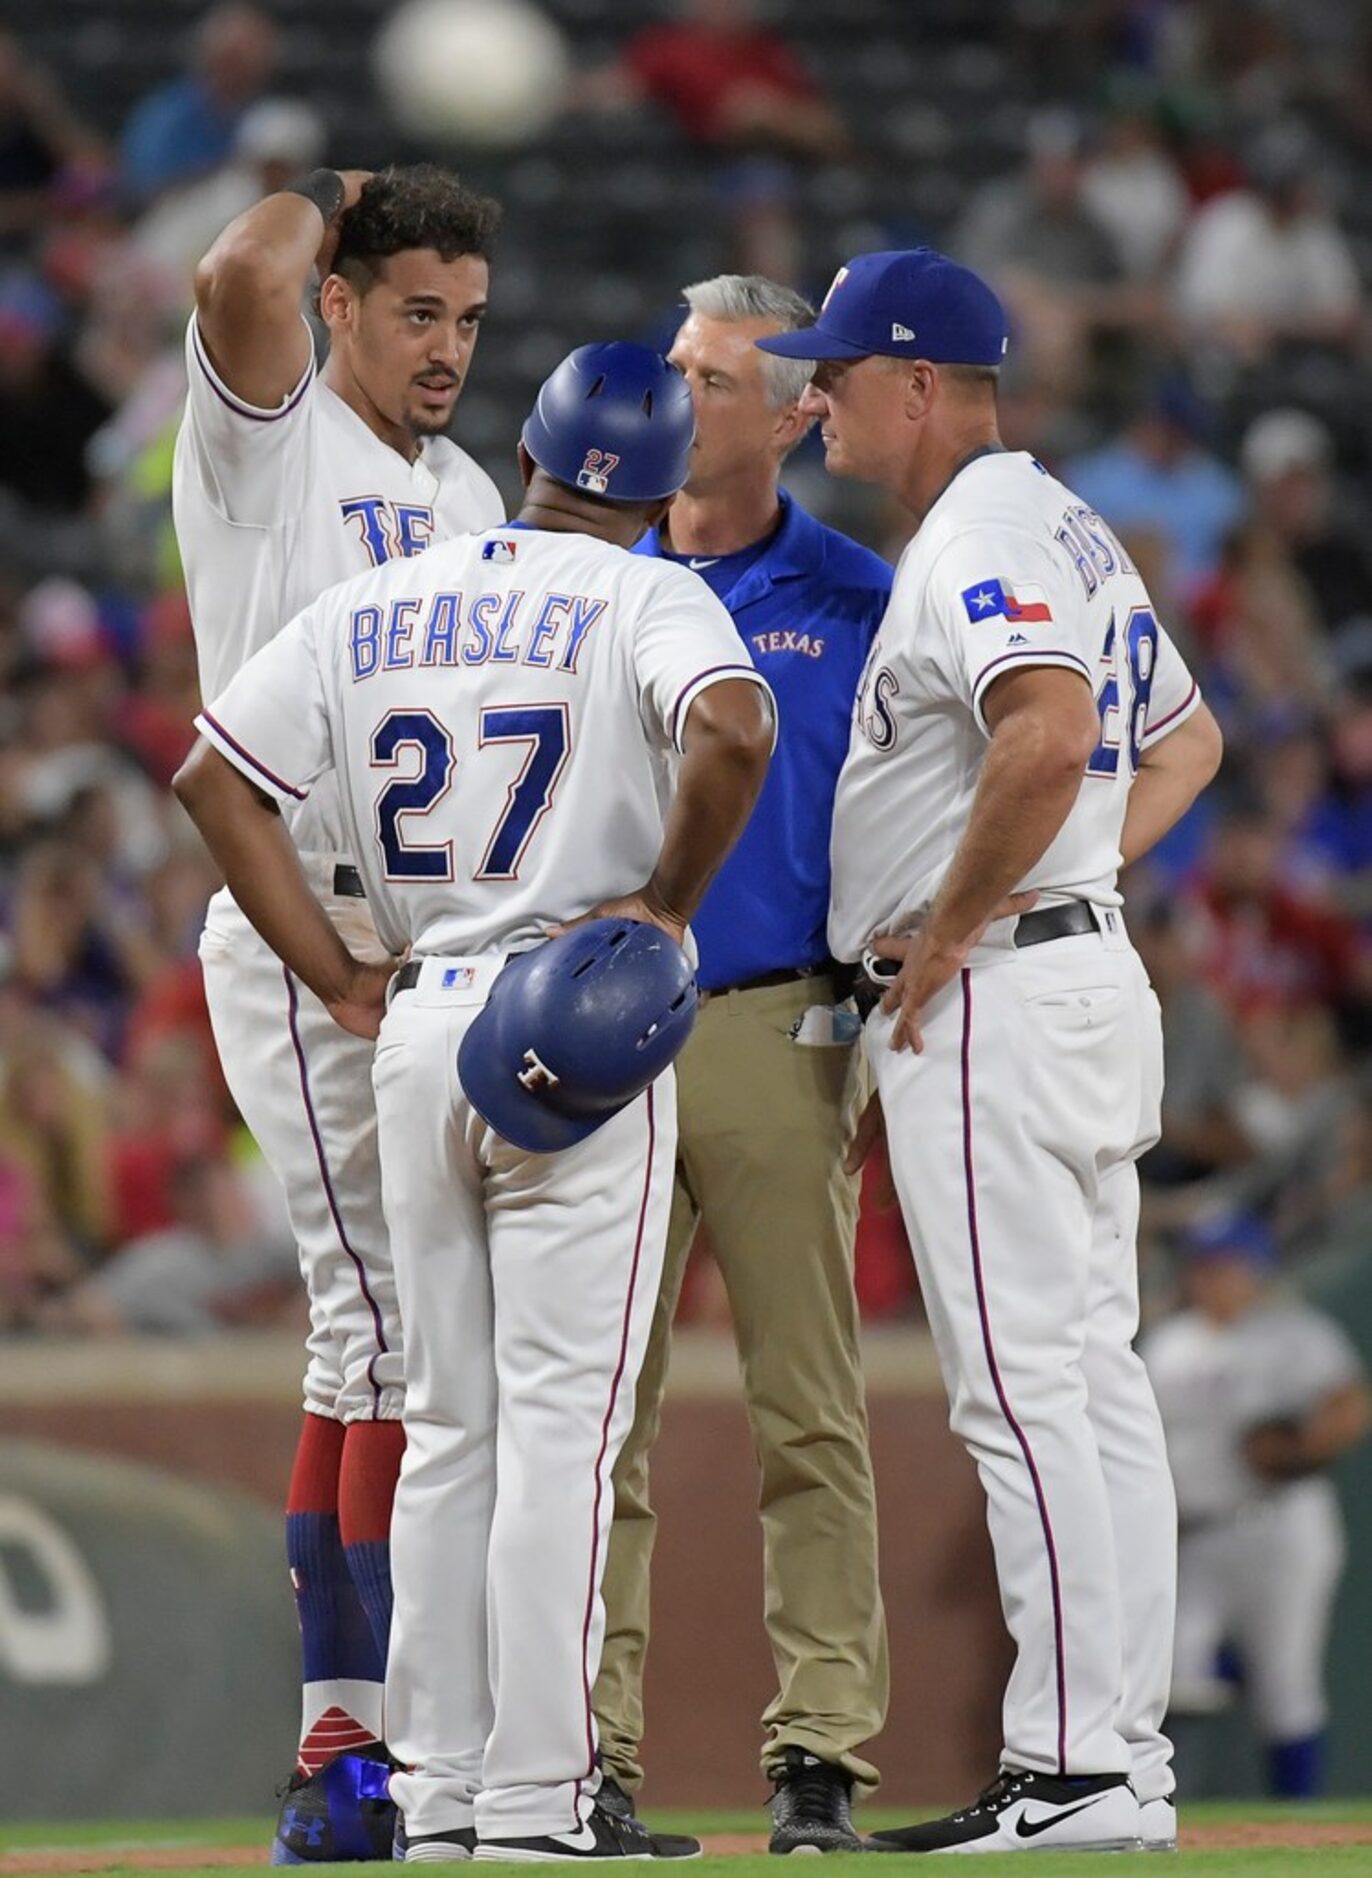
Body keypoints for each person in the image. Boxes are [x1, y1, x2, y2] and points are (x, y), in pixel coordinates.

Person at [173, 341, 776, 1860]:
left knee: (441, 1427)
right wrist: (661, 906)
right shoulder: (649, 590)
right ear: (653, 493)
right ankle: (538, 1797)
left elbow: (211, 780)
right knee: (560, 1430)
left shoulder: (378, 597)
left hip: (419, 1012)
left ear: (531, 457)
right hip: (576, 1018)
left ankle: (433, 1794)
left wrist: (327, 970)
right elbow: (736, 726)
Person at [757, 247, 1225, 1854]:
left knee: (1028, 1396)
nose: (811, 398)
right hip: (1071, 980)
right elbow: (1187, 739)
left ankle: (1078, 1767)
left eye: (831, 372)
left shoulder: (984, 528)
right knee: (1091, 1387)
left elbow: (1043, 730)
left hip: (999, 1007)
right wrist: (1065, 874)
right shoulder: (1065, 519)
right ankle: (1120, 1764)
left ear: (915, 385)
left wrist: (961, 918)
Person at [172, 161, 504, 1856]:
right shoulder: (270, 444)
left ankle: (356, 1747)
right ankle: (360, 1761)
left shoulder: (458, 494)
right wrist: (326, 192)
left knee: (387, 1338)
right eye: (413, 309)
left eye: (465, 315)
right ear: (345, 305)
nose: (444, 346)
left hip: (421, 951)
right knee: (384, 1332)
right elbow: (239, 270)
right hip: (304, 936)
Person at [593, 275, 891, 1852]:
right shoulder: (590, 576)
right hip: (602, 1018)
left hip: (781, 1016)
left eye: (716, 379)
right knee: (596, 1413)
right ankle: (587, 1751)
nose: (682, 395)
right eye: (675, 367)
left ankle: (820, 1752)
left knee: (810, 1410)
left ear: (793, 415)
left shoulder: (855, 593)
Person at [1144, 1212, 1372, 1797]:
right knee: (1174, 1672)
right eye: (1204, 1265)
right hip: (1196, 1533)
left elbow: (1350, 1403)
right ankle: (1173, 1807)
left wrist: (1301, 1447)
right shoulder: (1170, 1343)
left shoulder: (1292, 1333)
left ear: (1254, 1269)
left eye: (1225, 1265)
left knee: (1284, 1687)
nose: (1212, 1277)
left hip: (1282, 1525)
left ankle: (1297, 1820)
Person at [121, 1, 278, 202]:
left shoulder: (267, 113)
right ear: (210, 56)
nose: (243, 68)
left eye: (255, 56)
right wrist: (224, 173)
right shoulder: (168, 114)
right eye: (233, 58)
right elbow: (146, 185)